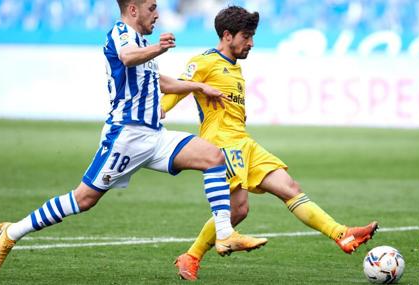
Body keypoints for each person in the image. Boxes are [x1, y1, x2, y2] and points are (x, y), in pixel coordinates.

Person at [0, 0, 268, 273]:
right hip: (127, 136)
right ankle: (11, 232)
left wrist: (198, 87)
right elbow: (126, 57)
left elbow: (158, 81)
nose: (157, 14)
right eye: (152, 8)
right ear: (133, 9)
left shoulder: (142, 44)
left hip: (155, 136)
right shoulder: (121, 34)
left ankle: (224, 234)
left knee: (213, 156)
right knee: (83, 199)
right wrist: (160, 47)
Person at [161, 6, 378, 281]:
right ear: (227, 35)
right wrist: (160, 110)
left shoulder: (234, 66)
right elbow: (178, 87)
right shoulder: (203, 62)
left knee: (290, 187)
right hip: (222, 145)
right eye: (246, 36)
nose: (251, 43)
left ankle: (342, 234)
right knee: (238, 209)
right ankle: (191, 256)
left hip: (245, 142)